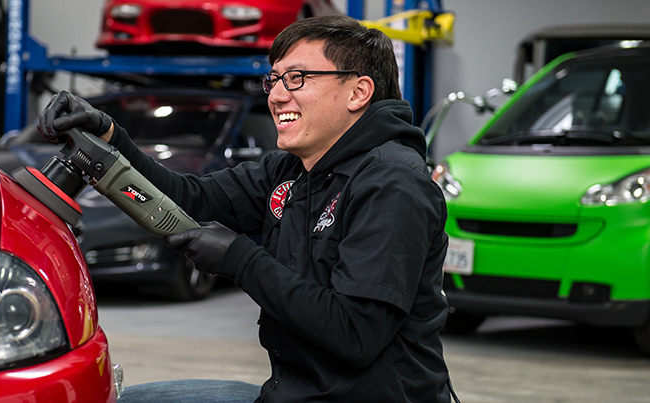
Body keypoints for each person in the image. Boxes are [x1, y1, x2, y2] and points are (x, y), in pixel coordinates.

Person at [39, 14, 453, 403]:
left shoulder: (393, 182)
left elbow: (355, 333)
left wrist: (240, 259)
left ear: (358, 92)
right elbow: (191, 199)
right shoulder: (292, 170)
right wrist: (111, 136)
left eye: (297, 78)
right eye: (273, 79)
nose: (275, 95)